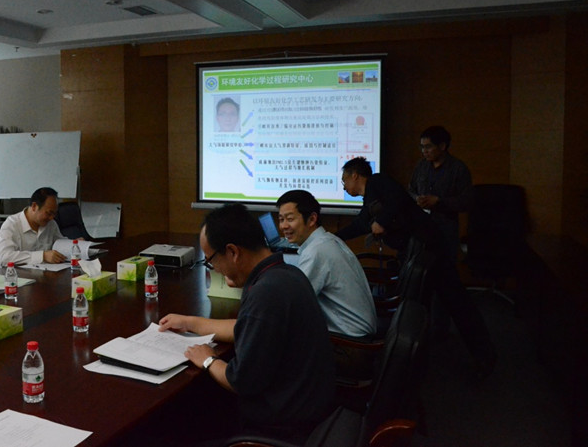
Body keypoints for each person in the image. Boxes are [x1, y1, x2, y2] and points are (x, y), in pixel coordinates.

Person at [159, 203, 335, 443]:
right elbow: (247, 327)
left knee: (182, 415)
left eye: (211, 261)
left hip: (282, 423)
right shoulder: (285, 274)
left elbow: (239, 381)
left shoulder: (266, 293)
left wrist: (208, 359)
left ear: (233, 252)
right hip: (308, 406)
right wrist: (190, 322)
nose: (215, 270)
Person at [336, 157, 496, 376]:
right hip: (419, 253)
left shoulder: (378, 182)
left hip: (430, 248)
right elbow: (360, 225)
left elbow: (397, 198)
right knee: (421, 309)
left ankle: (485, 356)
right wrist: (331, 237)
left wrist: (381, 221)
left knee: (457, 301)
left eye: (344, 180)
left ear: (355, 175)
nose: (344, 186)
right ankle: (419, 361)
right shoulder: (369, 202)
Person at [276, 189, 377, 339]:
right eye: (281, 219)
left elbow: (293, 302)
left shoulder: (317, 251)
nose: (283, 226)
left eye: (290, 219)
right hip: (358, 331)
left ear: (312, 219)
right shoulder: (327, 240)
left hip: (350, 340)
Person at [408, 126, 473, 337]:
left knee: (444, 281)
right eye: (422, 147)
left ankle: (440, 328)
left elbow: (466, 201)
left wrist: (440, 202)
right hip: (421, 228)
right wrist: (416, 199)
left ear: (443, 146)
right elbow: (410, 190)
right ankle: (419, 324)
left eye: (428, 147)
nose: (424, 151)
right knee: (421, 277)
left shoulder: (458, 169)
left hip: (445, 230)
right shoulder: (421, 166)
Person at [0, 187, 67, 266]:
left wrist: (72, 244)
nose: (51, 218)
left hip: (44, 271)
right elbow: (5, 257)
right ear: (34, 206)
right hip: (14, 273)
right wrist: (43, 256)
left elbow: (59, 243)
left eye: (54, 214)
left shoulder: (51, 224)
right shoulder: (12, 224)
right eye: (48, 213)